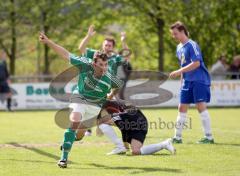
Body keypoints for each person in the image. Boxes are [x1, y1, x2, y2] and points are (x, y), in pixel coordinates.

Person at [39, 32, 124, 168]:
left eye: (106, 64)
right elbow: (65, 54)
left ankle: (69, 141)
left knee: (79, 135)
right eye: (101, 64)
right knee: (74, 122)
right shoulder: (85, 64)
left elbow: (120, 85)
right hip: (80, 98)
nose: (104, 67)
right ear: (94, 63)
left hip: (95, 106)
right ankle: (63, 159)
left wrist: (110, 96)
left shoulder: (109, 77)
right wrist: (48, 42)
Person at [77, 25, 131, 154]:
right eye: (106, 45)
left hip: (105, 92)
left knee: (104, 120)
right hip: (93, 92)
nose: (107, 47)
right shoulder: (96, 55)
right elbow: (81, 48)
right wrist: (88, 36)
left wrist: (123, 40)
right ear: (103, 45)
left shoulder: (115, 58)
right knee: (104, 119)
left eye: (110, 46)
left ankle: (122, 143)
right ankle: (124, 142)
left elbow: (127, 56)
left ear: (113, 47)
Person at [169, 21, 214, 144]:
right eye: (173, 34)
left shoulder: (192, 45)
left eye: (175, 33)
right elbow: (183, 65)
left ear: (183, 31)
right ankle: (177, 137)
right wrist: (181, 80)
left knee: (200, 107)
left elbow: (196, 63)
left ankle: (209, 137)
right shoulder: (179, 47)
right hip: (187, 82)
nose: (174, 36)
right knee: (181, 107)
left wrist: (178, 71)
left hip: (199, 80)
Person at [97, 100, 176, 155]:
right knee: (136, 151)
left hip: (138, 122)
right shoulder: (110, 107)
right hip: (135, 123)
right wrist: (125, 147)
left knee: (102, 123)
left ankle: (164, 144)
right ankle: (165, 144)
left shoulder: (110, 107)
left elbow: (125, 116)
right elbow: (122, 126)